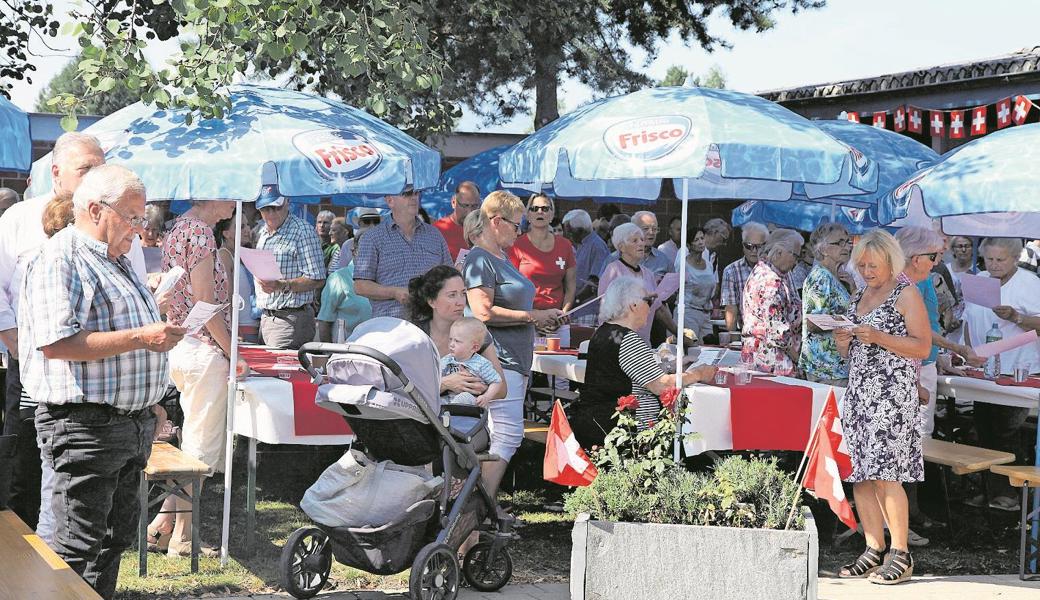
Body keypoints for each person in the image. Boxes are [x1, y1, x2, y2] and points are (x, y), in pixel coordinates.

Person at [20, 165, 186, 599]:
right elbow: (57, 343)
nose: (140, 227)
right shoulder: (62, 257)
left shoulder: (115, 259)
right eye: (133, 216)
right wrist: (141, 336)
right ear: (95, 209)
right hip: (84, 426)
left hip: (126, 426)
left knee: (110, 543)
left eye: (142, 217)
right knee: (73, 548)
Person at [0, 133, 112, 539]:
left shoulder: (110, 220)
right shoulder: (19, 219)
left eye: (100, 166)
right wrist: (14, 340)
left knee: (76, 476)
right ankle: (19, 551)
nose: (95, 175)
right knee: (24, 461)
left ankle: (64, 559)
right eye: (86, 168)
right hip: (29, 365)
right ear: (56, 171)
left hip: (93, 373)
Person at [147, 198, 248, 557]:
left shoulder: (179, 228)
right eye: (229, 193)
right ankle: (184, 538)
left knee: (190, 445)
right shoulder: (202, 233)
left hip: (184, 346)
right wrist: (234, 352)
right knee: (200, 451)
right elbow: (206, 307)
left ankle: (162, 524)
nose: (235, 204)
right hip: (203, 351)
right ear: (211, 195)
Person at [834, 229, 932, 586]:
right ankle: (873, 547)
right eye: (861, 265)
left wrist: (878, 337)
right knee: (860, 473)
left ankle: (901, 552)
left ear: (891, 261)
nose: (866, 271)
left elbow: (922, 347)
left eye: (872, 265)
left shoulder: (906, 294)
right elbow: (852, 354)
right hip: (860, 393)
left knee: (887, 474)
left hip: (891, 396)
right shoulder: (860, 294)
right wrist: (843, 341)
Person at [463, 191, 562, 496]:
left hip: (511, 360)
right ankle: (476, 513)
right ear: (496, 222)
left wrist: (538, 318)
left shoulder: (500, 258)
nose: (519, 232)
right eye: (516, 225)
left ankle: (477, 511)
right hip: (499, 360)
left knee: (499, 436)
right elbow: (482, 311)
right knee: (507, 436)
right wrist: (533, 316)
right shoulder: (480, 257)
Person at [576, 277, 717, 448]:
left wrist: (671, 367)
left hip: (598, 422)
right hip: (626, 432)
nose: (651, 307)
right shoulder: (627, 339)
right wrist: (699, 374)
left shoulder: (603, 332)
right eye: (648, 300)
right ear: (633, 305)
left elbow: (626, 372)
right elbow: (661, 386)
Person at [962, 237, 1040, 512]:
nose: (993, 266)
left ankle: (1011, 493)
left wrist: (1017, 317)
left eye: (1000, 260)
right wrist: (969, 352)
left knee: (1008, 431)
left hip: (1019, 367)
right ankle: (991, 488)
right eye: (989, 259)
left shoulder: (1031, 283)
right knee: (984, 431)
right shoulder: (979, 279)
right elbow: (969, 319)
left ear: (1016, 258)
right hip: (985, 368)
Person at [355, 190, 452, 320]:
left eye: (416, 193)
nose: (414, 198)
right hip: (391, 325)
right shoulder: (372, 238)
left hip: (431, 322)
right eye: (406, 194)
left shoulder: (435, 235)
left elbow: (449, 277)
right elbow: (360, 286)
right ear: (390, 200)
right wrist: (394, 292)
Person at [253, 189, 326, 349]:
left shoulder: (303, 231)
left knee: (280, 372)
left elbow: (318, 278)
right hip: (267, 317)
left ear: (287, 203)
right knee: (269, 372)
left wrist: (283, 285)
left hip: (291, 318)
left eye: (276, 207)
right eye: (265, 208)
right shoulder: (263, 232)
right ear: (259, 209)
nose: (270, 213)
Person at [598, 223, 678, 343]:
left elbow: (659, 308)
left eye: (642, 239)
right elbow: (606, 310)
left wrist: (679, 333)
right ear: (622, 247)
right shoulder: (613, 271)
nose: (641, 244)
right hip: (618, 342)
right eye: (634, 241)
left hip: (643, 342)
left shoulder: (648, 274)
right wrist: (641, 301)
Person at [740, 228, 803, 377]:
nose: (796, 262)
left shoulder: (765, 271)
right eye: (795, 256)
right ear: (780, 252)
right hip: (772, 361)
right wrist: (798, 359)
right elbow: (778, 332)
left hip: (763, 357)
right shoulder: (770, 281)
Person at [799, 223, 853, 385]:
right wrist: (848, 322)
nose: (846, 247)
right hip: (826, 367)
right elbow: (814, 322)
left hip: (834, 366)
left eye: (847, 242)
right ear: (822, 249)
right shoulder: (821, 277)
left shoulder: (836, 276)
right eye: (839, 243)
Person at [509, 193, 577, 315]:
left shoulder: (565, 245)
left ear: (552, 215)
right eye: (534, 208)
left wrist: (563, 313)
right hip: (527, 318)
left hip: (558, 318)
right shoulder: (516, 245)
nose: (540, 212)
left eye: (545, 209)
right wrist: (535, 316)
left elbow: (570, 287)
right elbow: (511, 289)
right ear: (528, 215)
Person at [317, 228, 373, 342]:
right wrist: (328, 354)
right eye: (365, 250)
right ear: (354, 252)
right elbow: (324, 321)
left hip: (378, 350)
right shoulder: (339, 279)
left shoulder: (385, 279)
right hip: (347, 350)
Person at [440, 317, 504, 406]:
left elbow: (497, 381)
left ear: (474, 347)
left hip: (472, 401)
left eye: (457, 341)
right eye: (450, 339)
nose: (451, 344)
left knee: (464, 397)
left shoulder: (481, 363)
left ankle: (451, 412)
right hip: (449, 399)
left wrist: (486, 396)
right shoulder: (447, 360)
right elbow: (435, 377)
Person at [722, 222, 769, 332]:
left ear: (766, 246)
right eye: (748, 246)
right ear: (743, 245)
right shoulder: (731, 271)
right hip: (747, 333)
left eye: (758, 247)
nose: (753, 251)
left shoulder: (775, 269)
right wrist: (732, 340)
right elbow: (730, 309)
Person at [674, 226, 715, 342]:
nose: (701, 242)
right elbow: (676, 287)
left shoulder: (708, 264)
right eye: (696, 240)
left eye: (702, 238)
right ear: (688, 244)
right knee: (691, 347)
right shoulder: (683, 265)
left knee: (709, 347)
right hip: (688, 312)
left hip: (706, 313)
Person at [561, 209, 609, 302]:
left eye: (570, 232)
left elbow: (594, 283)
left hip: (587, 308)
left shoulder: (597, 246)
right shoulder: (582, 245)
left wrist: (574, 301)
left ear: (581, 230)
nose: (568, 235)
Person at [610, 210, 674, 279]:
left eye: (654, 229)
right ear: (633, 230)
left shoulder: (663, 259)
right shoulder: (614, 259)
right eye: (646, 228)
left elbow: (676, 285)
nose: (651, 232)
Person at [433, 181, 482, 261]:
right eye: (464, 206)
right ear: (453, 202)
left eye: (474, 206)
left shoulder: (484, 229)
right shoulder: (437, 231)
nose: (469, 211)